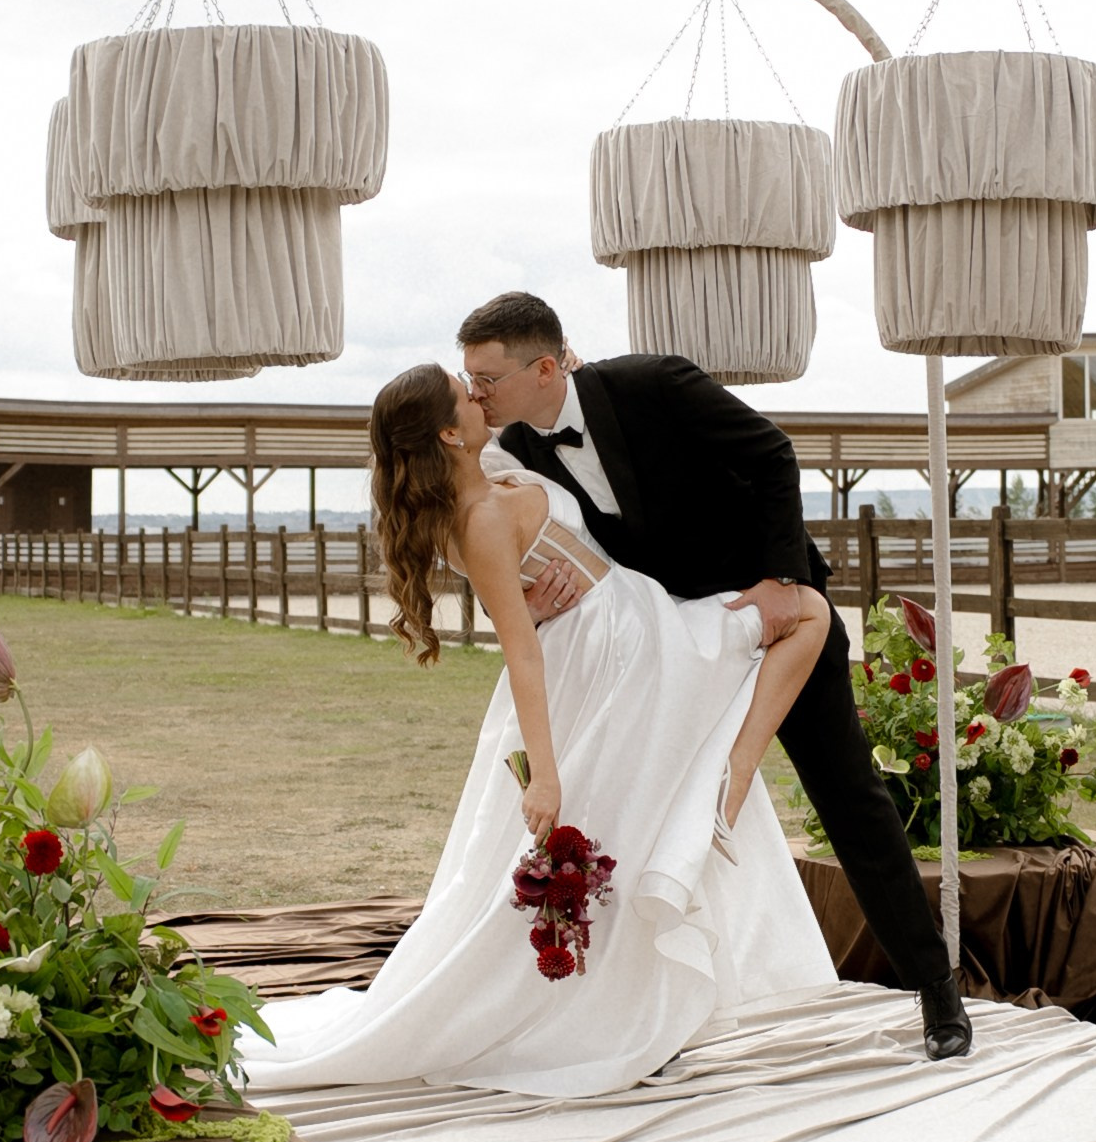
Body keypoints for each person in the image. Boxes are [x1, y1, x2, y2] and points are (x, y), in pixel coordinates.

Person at [240, 363, 839, 1104]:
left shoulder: (485, 474)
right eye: (467, 394)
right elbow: (521, 650)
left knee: (634, 816)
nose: (480, 394)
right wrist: (546, 775)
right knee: (806, 610)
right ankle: (737, 771)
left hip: (618, 624)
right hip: (617, 651)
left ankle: (728, 782)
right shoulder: (482, 518)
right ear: (450, 434)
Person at [459, 291, 973, 1060]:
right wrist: (540, 594)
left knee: (847, 795)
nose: (475, 395)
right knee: (639, 812)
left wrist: (778, 581)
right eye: (467, 382)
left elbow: (772, 455)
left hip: (771, 617)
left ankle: (936, 993)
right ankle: (637, 1019)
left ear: (543, 367)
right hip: (669, 649)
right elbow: (507, 543)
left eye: (486, 379)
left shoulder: (655, 383)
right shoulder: (514, 452)